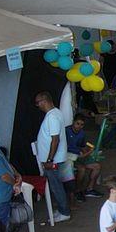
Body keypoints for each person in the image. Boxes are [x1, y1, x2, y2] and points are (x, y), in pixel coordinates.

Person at [34, 90, 72, 221]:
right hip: (53, 158)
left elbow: (55, 139)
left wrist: (49, 159)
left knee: (56, 186)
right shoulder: (55, 113)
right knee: (55, 185)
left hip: (53, 159)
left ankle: (65, 212)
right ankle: (62, 209)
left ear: (44, 101)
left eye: (38, 102)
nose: (37, 105)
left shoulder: (52, 117)